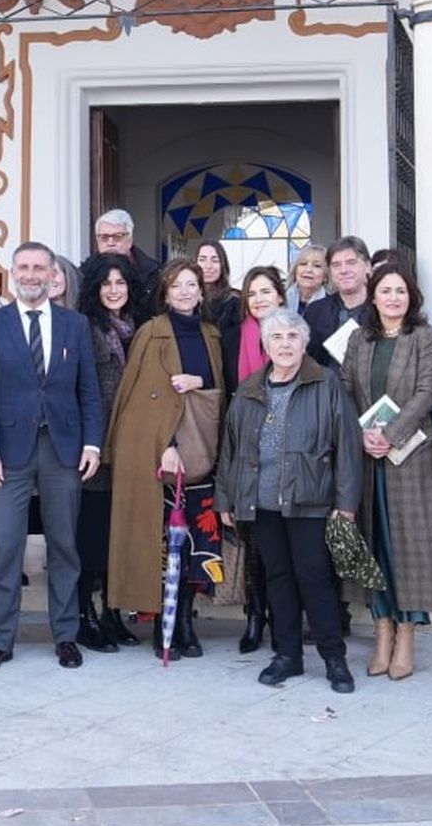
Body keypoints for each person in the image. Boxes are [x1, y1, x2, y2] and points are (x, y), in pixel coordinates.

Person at [0, 241, 104, 671]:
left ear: (52, 275)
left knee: (64, 545)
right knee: (5, 546)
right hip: (8, 452)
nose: (31, 275)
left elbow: (89, 390)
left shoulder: (74, 324)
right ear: (13, 273)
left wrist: (92, 443)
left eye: (39, 268)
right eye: (23, 267)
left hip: (63, 448)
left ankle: (65, 635)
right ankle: (0, 639)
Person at [220, 308, 362, 690]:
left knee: (314, 578)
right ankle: (288, 655)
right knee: (277, 578)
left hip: (310, 500)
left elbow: (348, 445)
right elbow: (230, 450)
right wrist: (226, 501)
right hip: (262, 502)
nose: (285, 345)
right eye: (277, 338)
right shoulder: (249, 389)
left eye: (292, 337)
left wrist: (346, 503)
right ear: (265, 346)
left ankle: (334, 657)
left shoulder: (326, 383)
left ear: (304, 343)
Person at [106, 258, 224, 659]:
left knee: (195, 543)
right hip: (166, 457)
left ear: (202, 290)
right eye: (177, 285)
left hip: (203, 452)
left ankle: (187, 620)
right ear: (166, 292)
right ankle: (162, 622)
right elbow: (141, 402)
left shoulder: (210, 334)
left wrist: (200, 383)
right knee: (161, 544)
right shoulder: (151, 333)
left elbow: (218, 390)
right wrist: (166, 444)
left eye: (192, 284)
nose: (186, 291)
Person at [340, 262, 432, 681]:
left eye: (400, 291)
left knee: (409, 551)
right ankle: (381, 629)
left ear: (411, 296)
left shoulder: (424, 337)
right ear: (373, 296)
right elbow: (344, 389)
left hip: (412, 458)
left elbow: (428, 391)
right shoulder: (358, 341)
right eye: (385, 291)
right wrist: (362, 435)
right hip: (368, 459)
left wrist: (392, 433)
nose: (393, 298)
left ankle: (406, 634)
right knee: (376, 544)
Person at [74, 253, 147, 652]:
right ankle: (85, 615)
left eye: (120, 283)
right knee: (92, 538)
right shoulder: (83, 327)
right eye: (106, 284)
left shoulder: (141, 327)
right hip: (95, 447)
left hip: (131, 445)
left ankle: (113, 613)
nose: (114, 290)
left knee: (121, 538)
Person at [220, 265, 286, 654]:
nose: (259, 299)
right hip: (243, 448)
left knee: (280, 541)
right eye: (252, 293)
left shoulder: (294, 336)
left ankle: (282, 617)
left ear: (280, 295)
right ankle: (254, 614)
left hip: (283, 451)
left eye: (266, 291)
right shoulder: (232, 339)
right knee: (253, 540)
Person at [304, 236, 371, 367]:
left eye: (351, 262)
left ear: (368, 266)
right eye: (336, 265)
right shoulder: (315, 312)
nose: (344, 270)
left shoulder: (383, 309)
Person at [88, 209, 161, 313]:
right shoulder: (84, 274)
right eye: (104, 237)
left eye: (117, 237)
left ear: (130, 240)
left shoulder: (154, 274)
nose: (110, 243)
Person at [196, 238, 240, 332]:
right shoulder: (185, 298)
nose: (208, 266)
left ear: (223, 265)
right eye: (202, 260)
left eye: (215, 260)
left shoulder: (234, 301)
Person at [285, 244, 328, 313]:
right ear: (295, 269)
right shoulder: (280, 301)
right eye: (303, 263)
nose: (308, 270)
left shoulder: (333, 307)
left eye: (317, 266)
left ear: (326, 276)